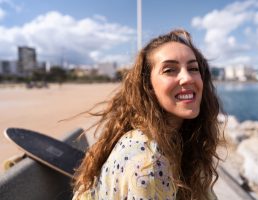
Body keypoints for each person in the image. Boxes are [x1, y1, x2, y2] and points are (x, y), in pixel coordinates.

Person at [72, 29, 222, 200]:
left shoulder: (180, 139)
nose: (187, 78)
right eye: (169, 70)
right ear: (148, 85)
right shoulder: (148, 163)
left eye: (193, 68)